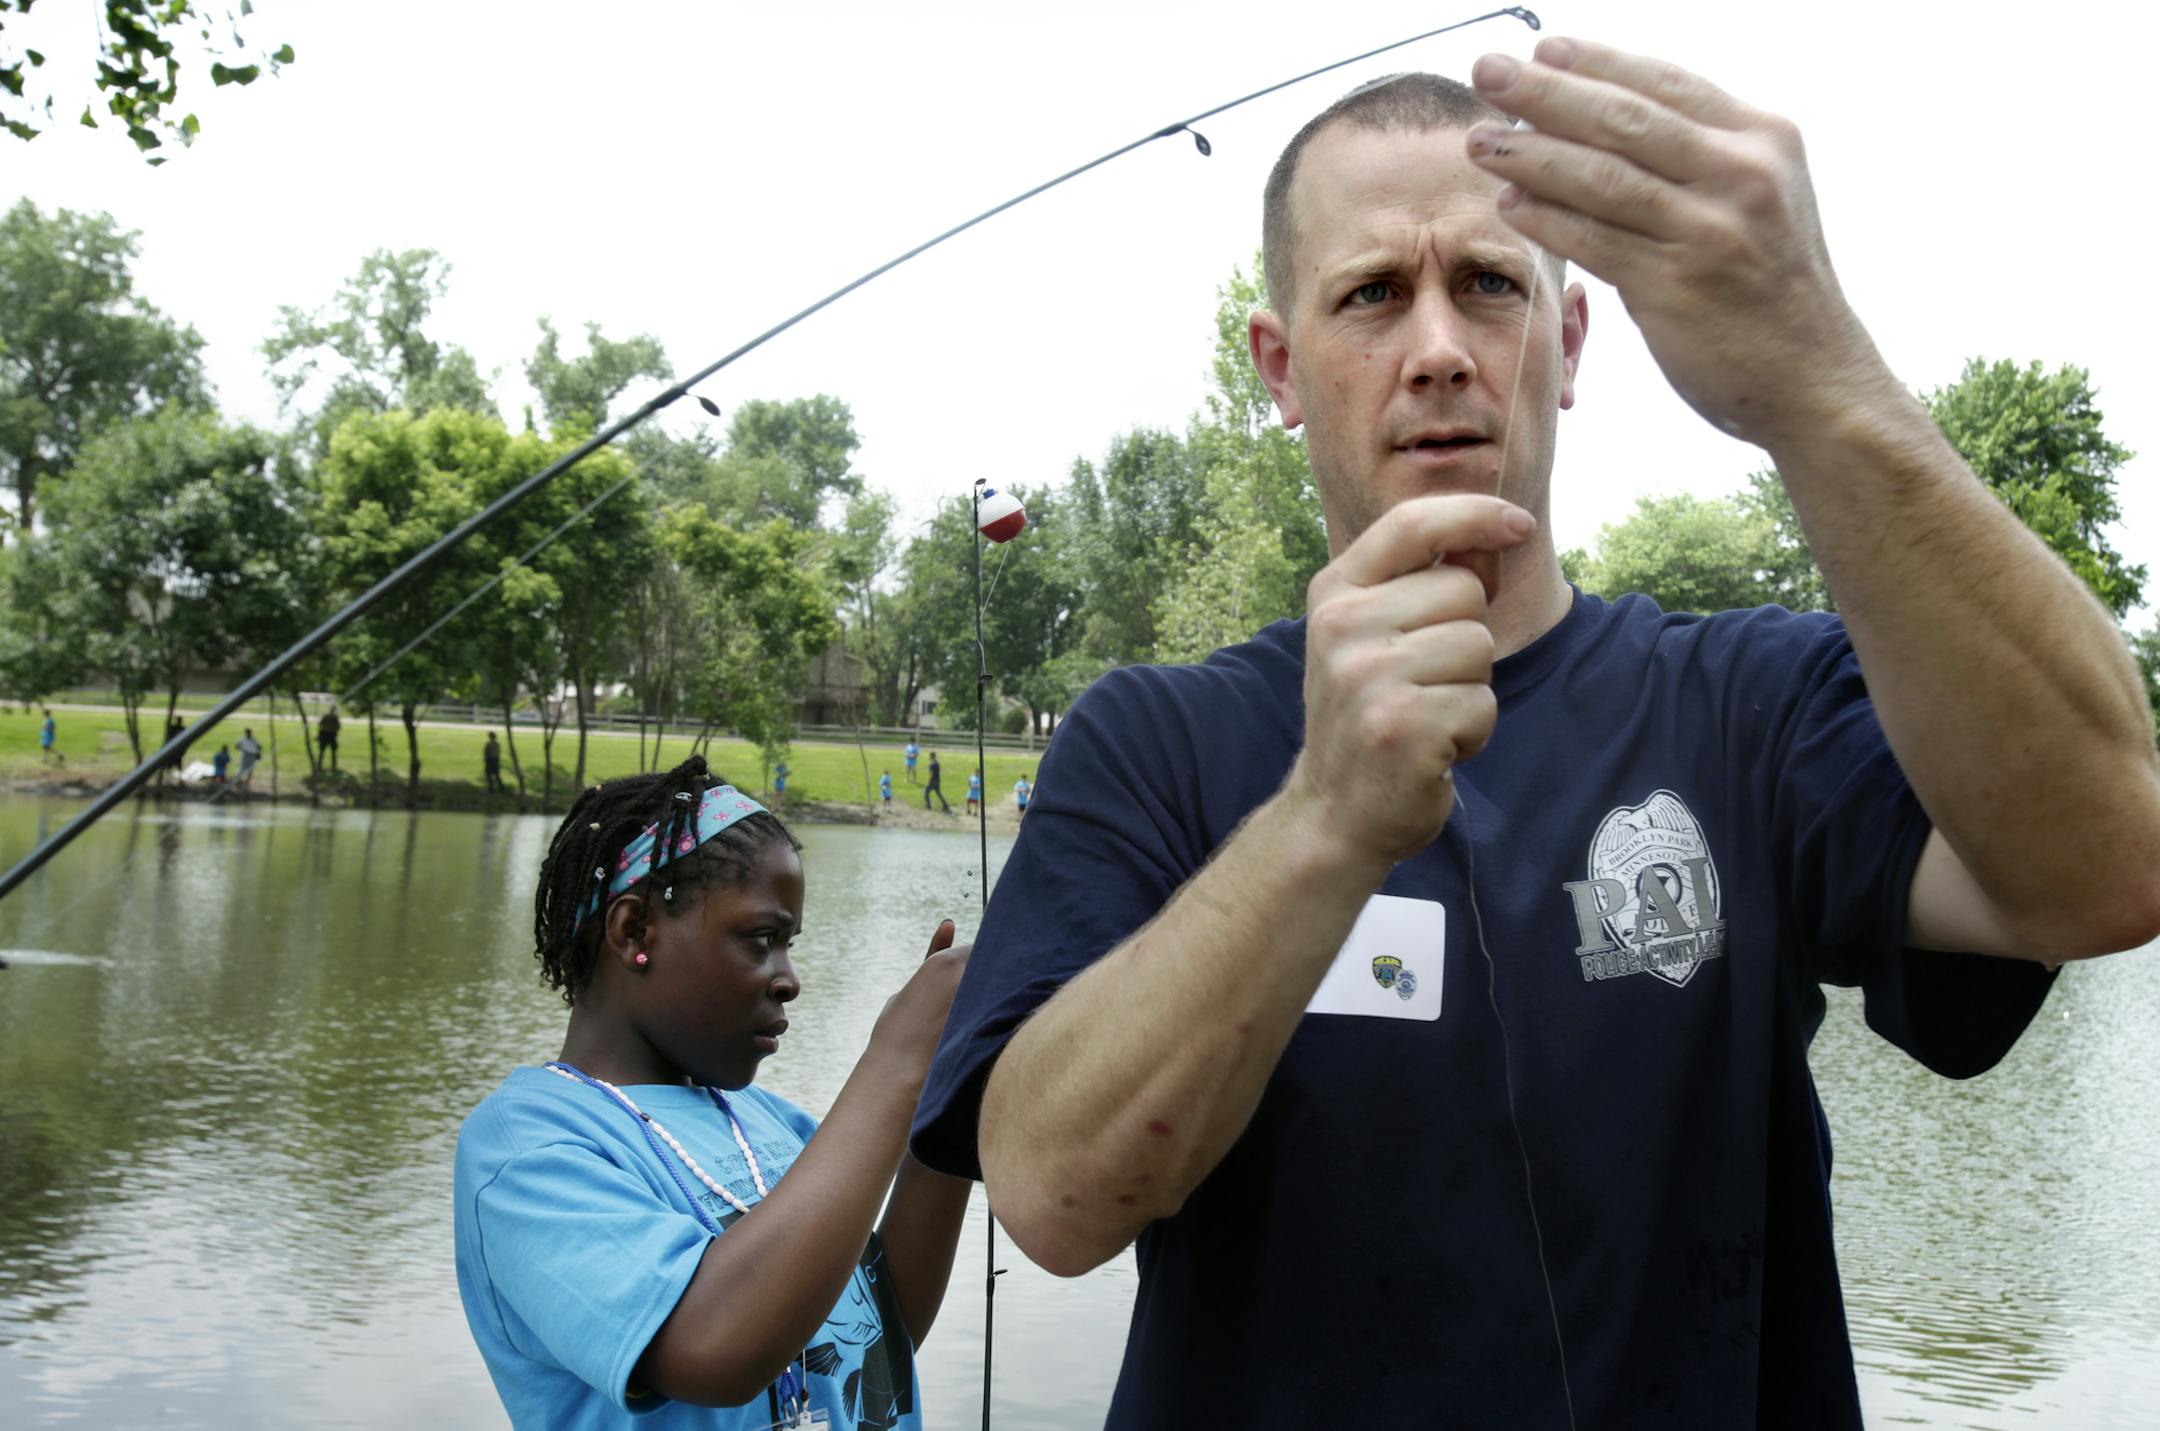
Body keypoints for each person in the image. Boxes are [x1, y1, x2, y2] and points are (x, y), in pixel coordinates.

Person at [910, 47, 2160, 1430]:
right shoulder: (1150, 738)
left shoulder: (1755, 702)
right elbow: (1051, 1194)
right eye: (1373, 292)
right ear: (1280, 366)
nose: (1439, 346)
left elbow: (2106, 868)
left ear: (1567, 348)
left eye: (1493, 285)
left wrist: (1816, 373)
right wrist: (1323, 816)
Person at [454, 756, 972, 1430]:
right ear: (634, 929)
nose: (789, 979)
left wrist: (950, 1089)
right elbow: (713, 1345)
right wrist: (893, 1064)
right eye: (763, 939)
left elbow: (877, 1328)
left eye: (790, 945)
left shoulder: (773, 1123)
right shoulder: (526, 1148)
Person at [318, 706, 341, 770]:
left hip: (324, 734)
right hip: (332, 735)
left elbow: (320, 724)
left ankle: (319, 764)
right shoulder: (335, 717)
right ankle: (334, 765)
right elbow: (338, 727)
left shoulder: (325, 716)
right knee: (333, 751)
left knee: (322, 751)